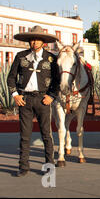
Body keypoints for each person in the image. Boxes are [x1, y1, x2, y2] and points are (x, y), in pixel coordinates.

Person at [7, 26, 60, 177]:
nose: (34, 42)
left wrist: (52, 95)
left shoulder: (51, 58)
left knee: (46, 135)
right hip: (25, 99)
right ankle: (23, 167)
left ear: (43, 42)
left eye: (37, 39)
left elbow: (57, 80)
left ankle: (49, 166)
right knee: (25, 135)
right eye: (32, 39)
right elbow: (11, 77)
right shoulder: (21, 56)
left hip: (43, 99)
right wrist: (15, 95)